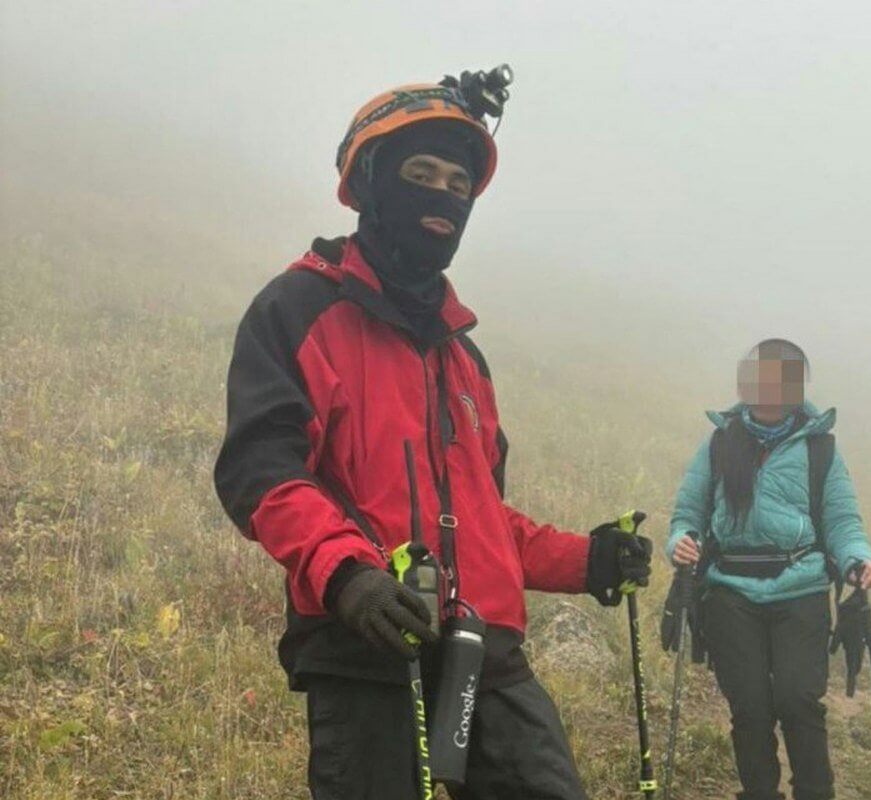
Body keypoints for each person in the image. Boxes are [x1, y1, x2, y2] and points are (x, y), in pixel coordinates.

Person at [213, 74, 652, 800]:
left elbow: (484, 524)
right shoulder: (298, 309)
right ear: (370, 183)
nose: (442, 197)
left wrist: (589, 560)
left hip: (489, 653)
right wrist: (350, 575)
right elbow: (260, 470)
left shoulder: (463, 358)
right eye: (421, 174)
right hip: (368, 643)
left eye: (458, 184)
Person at [666, 338, 871, 800]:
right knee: (750, 708)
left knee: (799, 700)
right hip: (729, 593)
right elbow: (690, 513)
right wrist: (681, 543)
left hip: (800, 590)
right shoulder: (720, 442)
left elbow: (842, 520)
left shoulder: (821, 450)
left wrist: (857, 559)